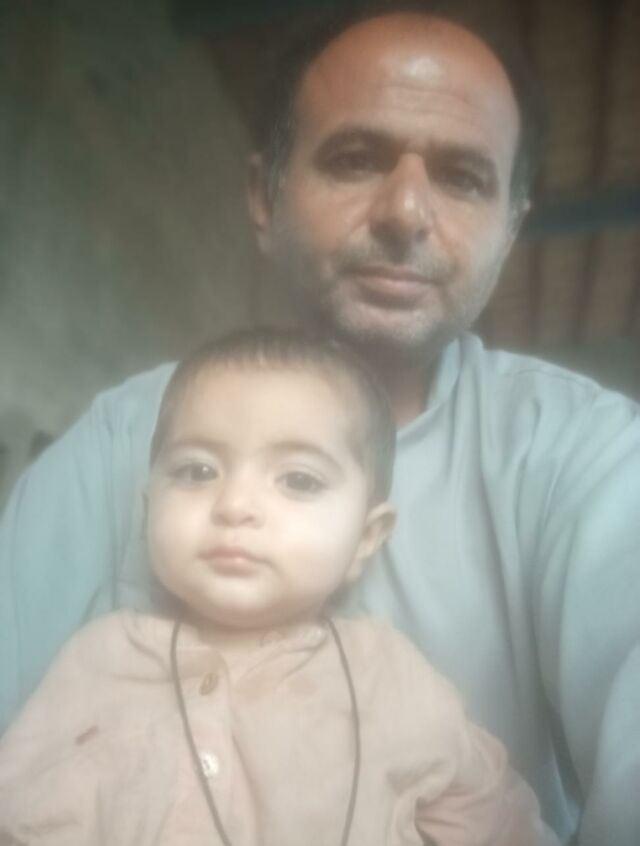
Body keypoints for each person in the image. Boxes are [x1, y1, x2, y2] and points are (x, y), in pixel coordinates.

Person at [0, 6, 639, 845]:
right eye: (355, 159)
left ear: (511, 226)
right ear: (264, 197)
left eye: (462, 178)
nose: (406, 211)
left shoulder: (585, 454)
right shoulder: (123, 438)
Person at [0, 330, 558, 846]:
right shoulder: (98, 662)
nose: (235, 505)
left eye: (298, 480)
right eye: (197, 472)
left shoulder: (393, 680)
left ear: (365, 539)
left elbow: (497, 820)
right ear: (150, 510)